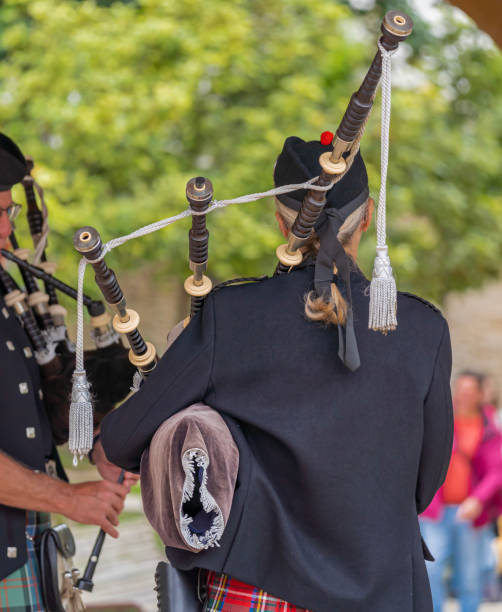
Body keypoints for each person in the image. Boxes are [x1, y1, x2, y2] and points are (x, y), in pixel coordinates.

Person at [99, 135, 454, 612]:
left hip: (260, 589)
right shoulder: (424, 330)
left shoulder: (231, 315)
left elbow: (122, 441)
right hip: (385, 592)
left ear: (279, 219)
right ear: (368, 215)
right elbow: (424, 483)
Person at [0, 132, 138, 611]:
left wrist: (100, 442)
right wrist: (66, 497)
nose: (6, 229)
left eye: (10, 212)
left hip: (25, 548)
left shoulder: (5, 299)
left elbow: (35, 402)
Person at [420, 370, 502, 612]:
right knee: (431, 570)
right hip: (434, 509)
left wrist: (478, 500)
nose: (464, 395)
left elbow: (496, 470)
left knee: (469, 576)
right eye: (460, 389)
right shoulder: (439, 417)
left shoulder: (488, 427)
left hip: (468, 512)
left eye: (470, 391)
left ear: (479, 394)